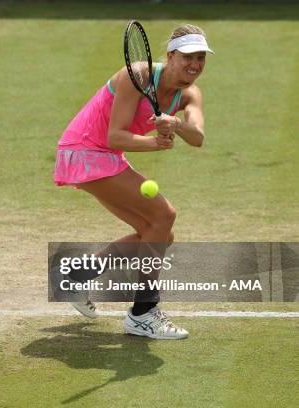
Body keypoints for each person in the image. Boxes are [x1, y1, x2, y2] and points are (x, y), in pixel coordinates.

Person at [53, 24, 214, 340]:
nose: (195, 65)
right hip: (84, 149)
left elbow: (197, 137)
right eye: (187, 57)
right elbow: (115, 136)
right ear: (170, 55)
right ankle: (143, 313)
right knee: (163, 215)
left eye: (201, 58)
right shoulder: (137, 76)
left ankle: (78, 276)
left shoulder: (190, 94)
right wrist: (155, 142)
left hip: (104, 156)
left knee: (159, 234)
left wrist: (175, 124)